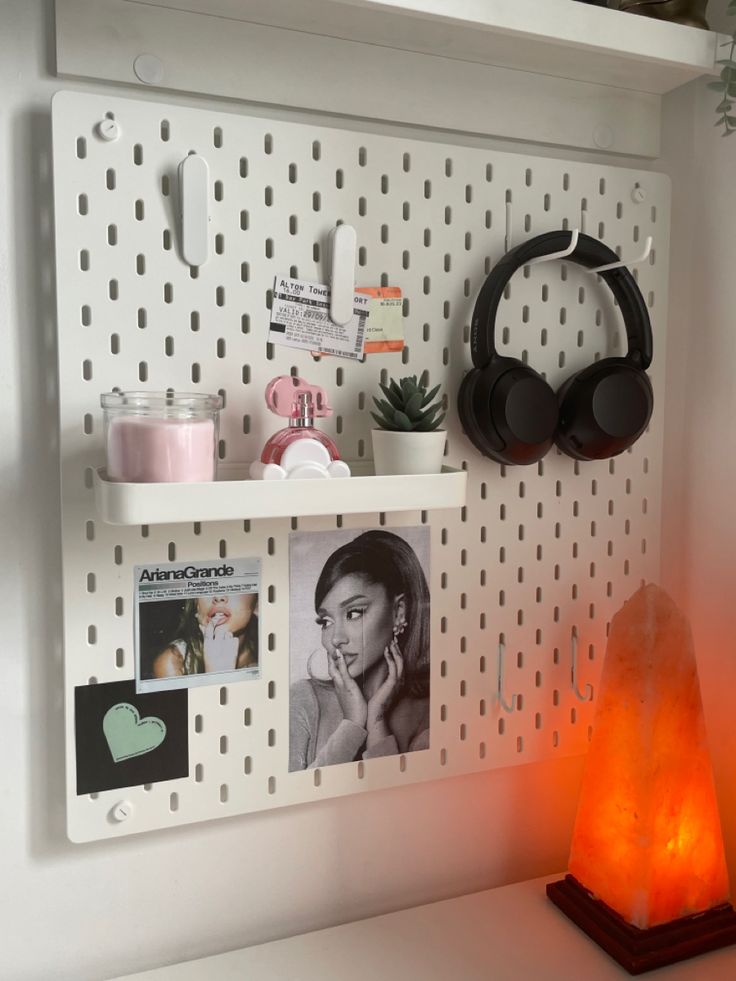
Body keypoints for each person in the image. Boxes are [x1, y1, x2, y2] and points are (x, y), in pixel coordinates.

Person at [289, 529, 430, 770]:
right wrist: (352, 724)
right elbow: (291, 800)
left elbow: (399, 801)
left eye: (354, 613)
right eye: (326, 622)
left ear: (399, 612)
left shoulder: (429, 712)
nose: (335, 639)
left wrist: (376, 719)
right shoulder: (304, 700)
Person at [151, 593, 259, 677]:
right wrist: (217, 677)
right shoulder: (174, 661)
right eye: (209, 586)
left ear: (257, 603)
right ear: (196, 604)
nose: (219, 597)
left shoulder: (268, 655)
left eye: (234, 586)